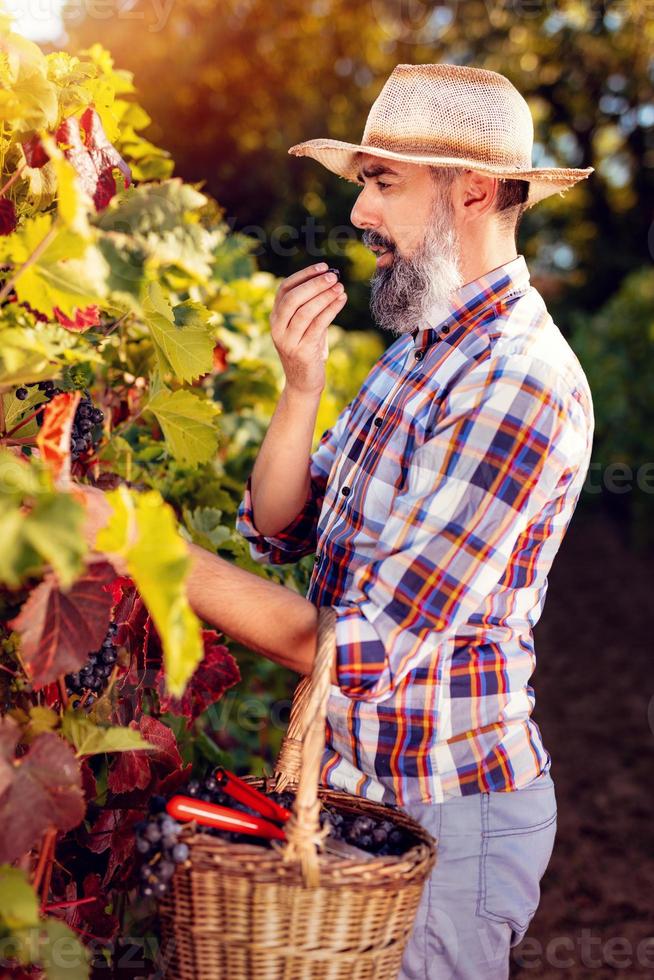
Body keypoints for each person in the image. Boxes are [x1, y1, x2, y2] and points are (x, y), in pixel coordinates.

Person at [83, 63, 595, 979]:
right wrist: (301, 387)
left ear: (472, 188)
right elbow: (283, 527)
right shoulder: (422, 347)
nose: (360, 212)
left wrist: (136, 543)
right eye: (365, 181)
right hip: (354, 788)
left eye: (381, 181)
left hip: (445, 817)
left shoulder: (517, 380)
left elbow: (350, 650)